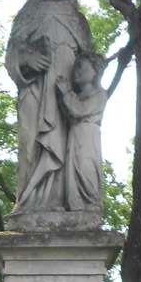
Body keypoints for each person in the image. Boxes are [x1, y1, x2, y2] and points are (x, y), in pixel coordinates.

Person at [6, 0, 93, 214]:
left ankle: (64, 201)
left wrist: (81, 90)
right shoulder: (28, 15)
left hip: (66, 96)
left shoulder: (78, 20)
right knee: (31, 145)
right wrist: (26, 60)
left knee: (68, 151)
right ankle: (30, 203)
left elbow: (90, 64)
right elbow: (11, 55)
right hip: (35, 91)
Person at [58, 52, 107, 212]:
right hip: (75, 135)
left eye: (81, 67)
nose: (76, 72)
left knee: (86, 167)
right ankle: (76, 205)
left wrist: (66, 93)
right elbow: (71, 114)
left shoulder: (100, 94)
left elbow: (80, 110)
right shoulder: (77, 95)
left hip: (88, 136)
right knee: (73, 170)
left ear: (94, 71)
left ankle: (90, 204)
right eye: (75, 68)